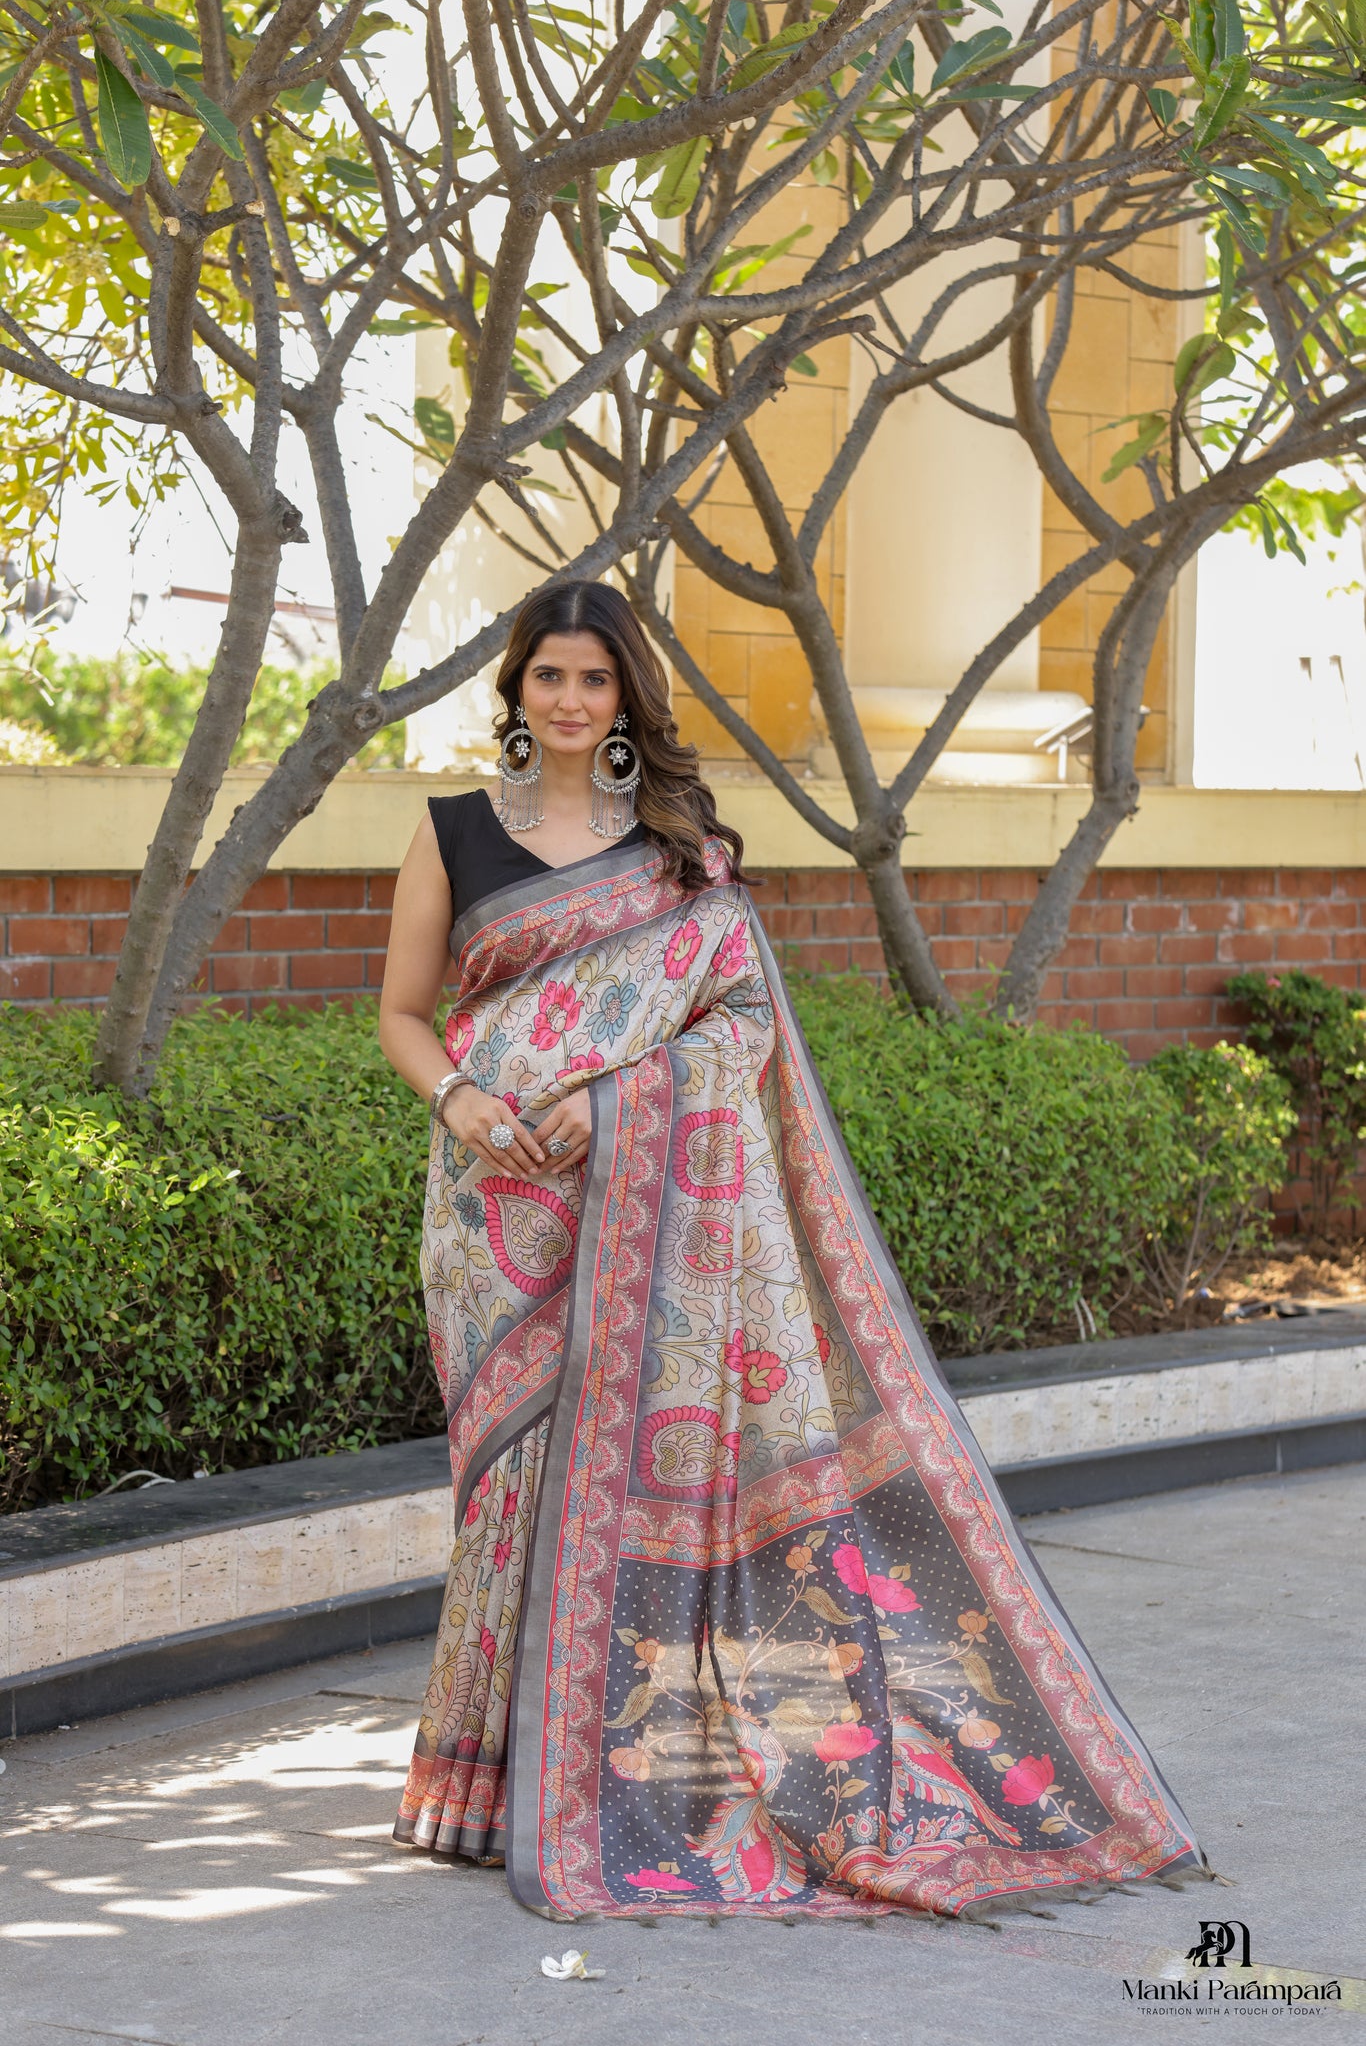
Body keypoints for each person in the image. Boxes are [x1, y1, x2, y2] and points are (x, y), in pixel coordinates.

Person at [378, 579, 1204, 1921]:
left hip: (645, 1197)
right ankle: (483, 1783)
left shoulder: (677, 845)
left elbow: (738, 1027)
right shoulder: (454, 832)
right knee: (515, 1483)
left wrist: (612, 1105)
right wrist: (466, 1100)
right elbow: (403, 1014)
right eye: (549, 680)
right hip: (498, 1203)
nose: (573, 703)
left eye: (596, 681)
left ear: (626, 696)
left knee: (648, 1458)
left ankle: (618, 1772)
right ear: (516, 689)